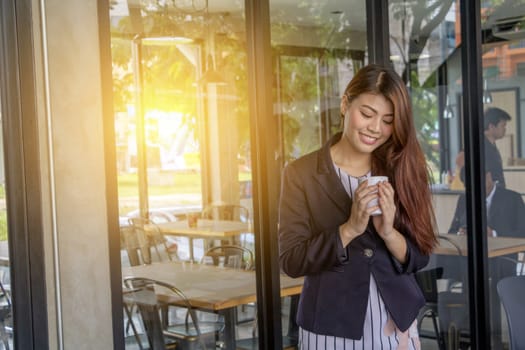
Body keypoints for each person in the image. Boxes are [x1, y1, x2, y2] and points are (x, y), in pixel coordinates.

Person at [278, 64, 437, 349]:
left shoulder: (401, 169)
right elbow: (292, 260)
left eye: (388, 120)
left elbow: (420, 257)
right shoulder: (300, 174)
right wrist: (348, 229)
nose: (376, 128)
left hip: (395, 323)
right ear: (344, 104)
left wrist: (388, 232)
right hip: (329, 325)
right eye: (367, 114)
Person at [457, 107, 511, 187]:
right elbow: (460, 159)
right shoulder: (479, 143)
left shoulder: (492, 145)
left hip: (497, 192)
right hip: (486, 194)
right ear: (491, 126)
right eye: (502, 126)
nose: (505, 129)